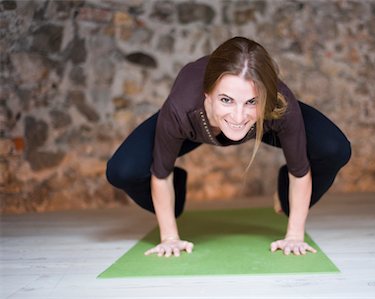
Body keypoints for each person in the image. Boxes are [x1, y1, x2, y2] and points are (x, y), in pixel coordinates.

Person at [106, 36, 351, 258]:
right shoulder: (180, 109)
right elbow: (160, 175)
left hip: (263, 124)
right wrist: (170, 238)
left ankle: (285, 198)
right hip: (194, 128)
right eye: (226, 100)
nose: (238, 115)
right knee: (121, 171)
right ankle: (175, 195)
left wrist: (294, 237)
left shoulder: (280, 105)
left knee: (336, 149)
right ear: (207, 94)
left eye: (251, 101)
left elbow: (300, 172)